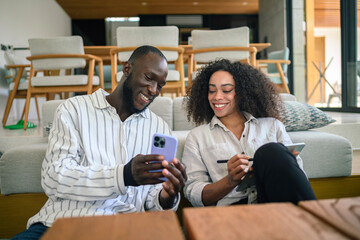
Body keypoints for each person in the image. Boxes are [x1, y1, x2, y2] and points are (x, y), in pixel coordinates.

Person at [13, 45, 187, 240]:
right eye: (148, 78)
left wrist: (168, 196)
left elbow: (152, 203)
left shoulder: (159, 128)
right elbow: (54, 178)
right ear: (127, 69)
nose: (154, 90)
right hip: (61, 223)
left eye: (160, 85)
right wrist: (123, 176)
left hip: (123, 230)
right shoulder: (74, 109)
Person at [182, 59, 315, 207]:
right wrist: (230, 181)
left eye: (226, 90)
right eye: (212, 90)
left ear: (242, 92)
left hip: (273, 204)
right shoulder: (197, 137)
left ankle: (312, 222)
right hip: (232, 210)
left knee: (271, 152)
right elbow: (193, 193)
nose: (217, 97)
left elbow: (299, 179)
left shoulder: (272, 126)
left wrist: (280, 163)